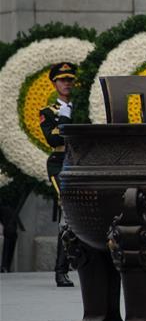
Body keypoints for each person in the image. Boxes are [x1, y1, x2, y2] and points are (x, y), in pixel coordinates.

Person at [38, 62, 77, 287]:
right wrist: (64, 116)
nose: (67, 84)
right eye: (62, 80)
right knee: (67, 215)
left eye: (70, 79)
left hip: (80, 162)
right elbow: (53, 139)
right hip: (59, 164)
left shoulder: (80, 107)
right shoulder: (48, 112)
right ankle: (61, 270)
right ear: (54, 83)